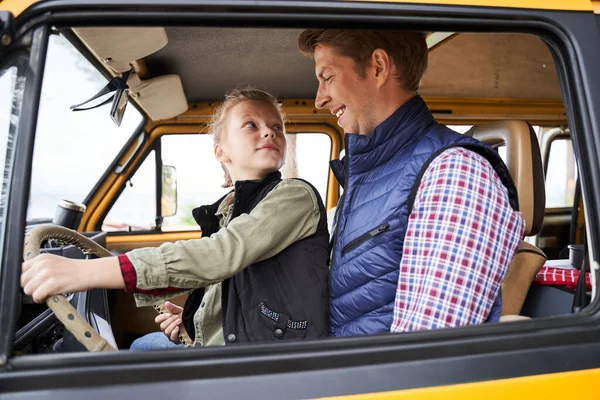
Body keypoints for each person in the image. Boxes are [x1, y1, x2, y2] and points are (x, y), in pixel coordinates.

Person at [21, 87, 330, 348]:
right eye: (251, 124)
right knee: (142, 347)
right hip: (237, 343)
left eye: (277, 127)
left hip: (269, 359)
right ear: (221, 152)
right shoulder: (228, 209)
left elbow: (220, 256)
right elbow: (231, 285)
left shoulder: (293, 195)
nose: (269, 132)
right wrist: (192, 321)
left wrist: (82, 273)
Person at [298, 30, 525, 337]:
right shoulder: (367, 174)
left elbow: (430, 350)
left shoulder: (454, 172)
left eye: (328, 77)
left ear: (378, 67)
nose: (319, 98)